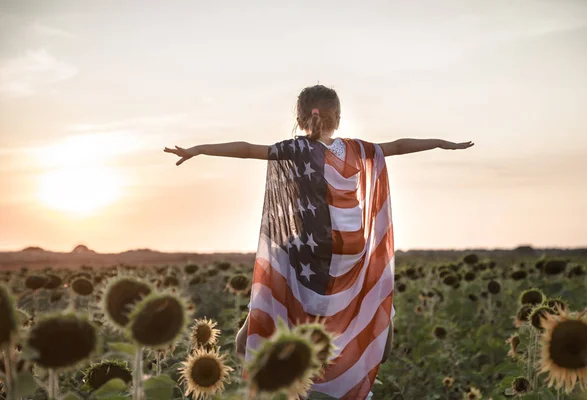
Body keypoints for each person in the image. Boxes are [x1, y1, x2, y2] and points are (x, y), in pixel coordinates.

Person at [164, 84, 474, 399]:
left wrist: (199, 148)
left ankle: (286, 364)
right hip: (352, 247)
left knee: (251, 337)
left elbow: (245, 148)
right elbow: (398, 144)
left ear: (299, 117)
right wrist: (439, 143)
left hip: (306, 250)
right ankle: (379, 333)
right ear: (337, 117)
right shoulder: (355, 149)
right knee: (366, 300)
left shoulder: (292, 149)